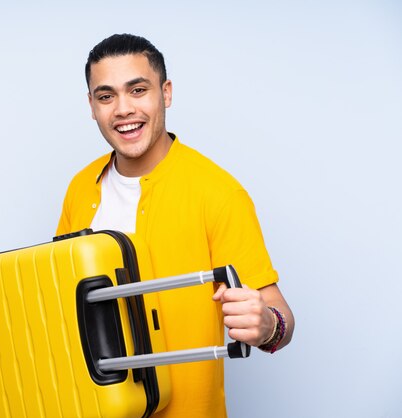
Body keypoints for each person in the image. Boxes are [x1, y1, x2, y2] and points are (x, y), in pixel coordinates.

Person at [56, 34, 294, 417]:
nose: (122, 109)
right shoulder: (80, 188)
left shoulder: (218, 192)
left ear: (165, 93)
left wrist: (268, 325)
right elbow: (64, 306)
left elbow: (280, 317)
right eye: (106, 96)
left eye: (138, 90)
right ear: (92, 106)